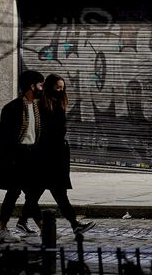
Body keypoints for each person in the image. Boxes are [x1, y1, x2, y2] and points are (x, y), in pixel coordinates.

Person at [37, 73, 96, 235]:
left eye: (62, 88)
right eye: (57, 88)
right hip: (48, 155)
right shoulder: (43, 105)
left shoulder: (58, 103)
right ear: (49, 88)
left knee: (54, 193)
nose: (60, 91)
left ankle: (74, 224)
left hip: (58, 153)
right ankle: (74, 224)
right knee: (46, 193)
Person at [0, 70, 45, 243]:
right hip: (16, 156)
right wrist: (13, 154)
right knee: (14, 191)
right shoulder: (12, 108)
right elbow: (1, 134)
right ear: (32, 86)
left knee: (31, 192)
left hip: (32, 155)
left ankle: (39, 226)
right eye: (40, 84)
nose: (42, 88)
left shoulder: (39, 107)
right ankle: (2, 229)